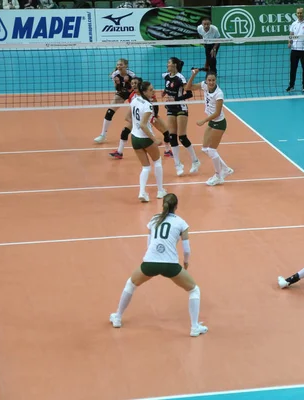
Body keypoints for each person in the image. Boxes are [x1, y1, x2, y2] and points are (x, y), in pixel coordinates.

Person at [109, 193, 208, 337]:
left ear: (163, 206)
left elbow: (149, 244)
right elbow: (186, 249)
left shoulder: (154, 219)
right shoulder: (181, 223)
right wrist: (185, 262)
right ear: (176, 206)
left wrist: (152, 258)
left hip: (150, 262)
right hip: (170, 265)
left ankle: (117, 317)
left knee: (131, 284)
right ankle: (194, 327)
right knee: (194, 290)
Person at [185, 68, 234, 186]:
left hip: (219, 123)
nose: (211, 82)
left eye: (213, 80)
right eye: (209, 80)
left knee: (212, 150)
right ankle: (226, 169)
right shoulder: (204, 85)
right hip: (212, 122)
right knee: (205, 149)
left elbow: (217, 113)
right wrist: (194, 75)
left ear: (216, 80)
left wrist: (203, 120)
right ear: (206, 81)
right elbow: (188, 88)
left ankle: (218, 176)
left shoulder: (219, 94)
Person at [109, 77, 173, 160]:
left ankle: (167, 151)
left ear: (140, 84)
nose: (133, 85)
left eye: (135, 83)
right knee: (125, 131)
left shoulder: (149, 94)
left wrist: (154, 117)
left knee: (166, 132)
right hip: (138, 118)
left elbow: (155, 106)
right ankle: (119, 152)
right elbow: (132, 110)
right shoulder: (132, 96)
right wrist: (135, 122)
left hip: (151, 116)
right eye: (132, 83)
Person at [128, 81, 167, 202]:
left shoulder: (134, 100)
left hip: (134, 138)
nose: (153, 91)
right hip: (145, 138)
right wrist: (154, 139)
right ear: (144, 92)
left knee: (145, 167)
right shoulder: (148, 105)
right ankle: (160, 191)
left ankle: (142, 192)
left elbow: (130, 118)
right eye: (151, 90)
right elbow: (144, 125)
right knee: (157, 162)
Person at [162, 57, 201, 176]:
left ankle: (195, 161)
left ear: (174, 65)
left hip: (180, 108)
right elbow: (169, 88)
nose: (167, 64)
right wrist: (165, 93)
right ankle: (178, 165)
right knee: (172, 137)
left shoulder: (180, 77)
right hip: (170, 108)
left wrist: (175, 99)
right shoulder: (166, 76)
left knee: (182, 137)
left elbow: (189, 93)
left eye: (169, 63)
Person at [95, 58, 136, 144]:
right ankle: (103, 135)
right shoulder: (114, 75)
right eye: (118, 65)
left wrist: (128, 81)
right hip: (121, 93)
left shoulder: (132, 75)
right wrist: (117, 83)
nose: (119, 66)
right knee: (110, 111)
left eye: (121, 65)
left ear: (126, 66)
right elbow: (117, 88)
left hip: (132, 93)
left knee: (137, 113)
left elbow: (133, 88)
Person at [286, 8, 304, 93]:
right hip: (294, 49)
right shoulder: (294, 24)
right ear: (296, 14)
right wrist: (289, 42)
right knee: (293, 69)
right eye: (298, 13)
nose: (299, 14)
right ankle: (291, 86)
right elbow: (291, 35)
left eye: (301, 13)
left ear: (303, 13)